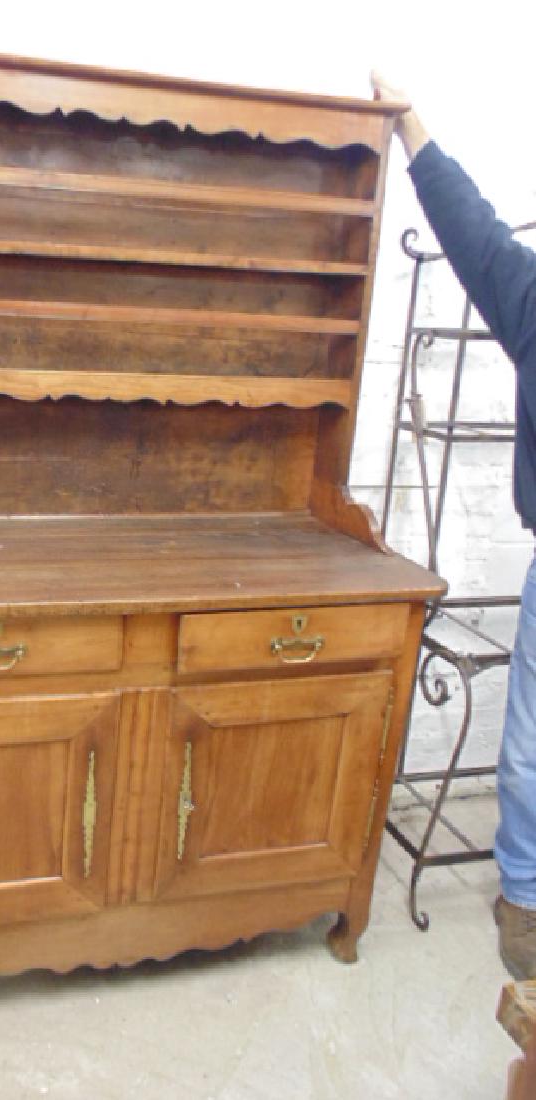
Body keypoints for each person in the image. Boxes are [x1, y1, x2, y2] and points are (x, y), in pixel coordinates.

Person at [369, 73, 536, 980]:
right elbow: (469, 226)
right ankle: (524, 900)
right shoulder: (530, 297)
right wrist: (408, 126)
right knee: (529, 750)